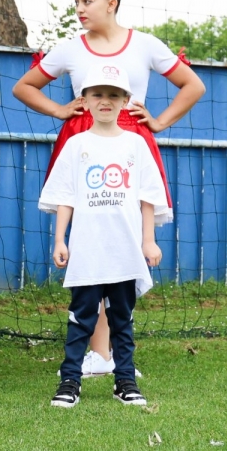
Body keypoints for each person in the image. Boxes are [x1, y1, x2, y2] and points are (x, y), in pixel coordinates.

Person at [13, 0, 204, 376]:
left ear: (111, 3)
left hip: (128, 145)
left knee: (126, 238)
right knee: (89, 241)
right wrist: (62, 109)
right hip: (84, 147)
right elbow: (23, 87)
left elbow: (194, 85)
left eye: (87, 1)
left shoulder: (145, 45)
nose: (79, 9)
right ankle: (100, 354)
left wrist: (159, 121)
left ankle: (116, 349)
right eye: (76, 2)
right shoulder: (69, 47)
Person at [39, 65, 170, 408]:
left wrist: (148, 240)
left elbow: (147, 198)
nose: (105, 101)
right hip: (88, 250)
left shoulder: (136, 145)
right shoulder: (76, 145)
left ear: (127, 101)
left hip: (124, 250)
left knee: (121, 320)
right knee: (81, 316)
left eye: (114, 95)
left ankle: (124, 380)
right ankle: (70, 381)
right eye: (97, 94)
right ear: (84, 100)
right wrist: (60, 240)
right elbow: (65, 196)